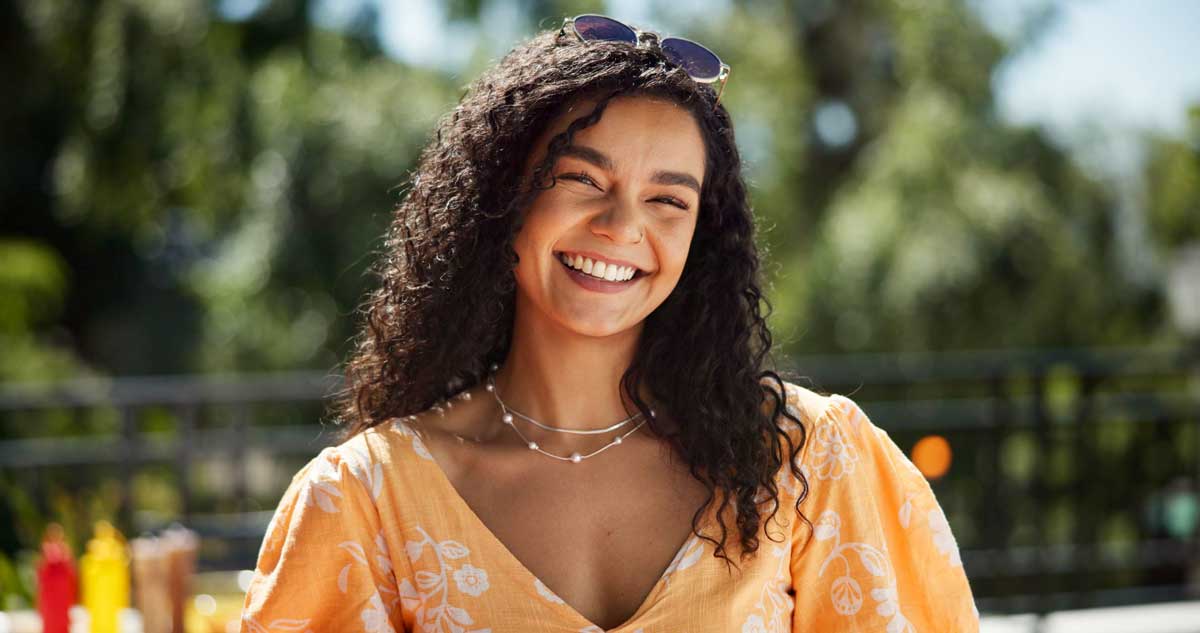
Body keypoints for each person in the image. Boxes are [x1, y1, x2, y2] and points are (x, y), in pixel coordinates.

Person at [240, 14, 979, 633]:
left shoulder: (811, 464)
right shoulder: (368, 498)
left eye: (668, 200)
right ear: (505, 199)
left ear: (701, 239)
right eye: (583, 179)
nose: (622, 226)